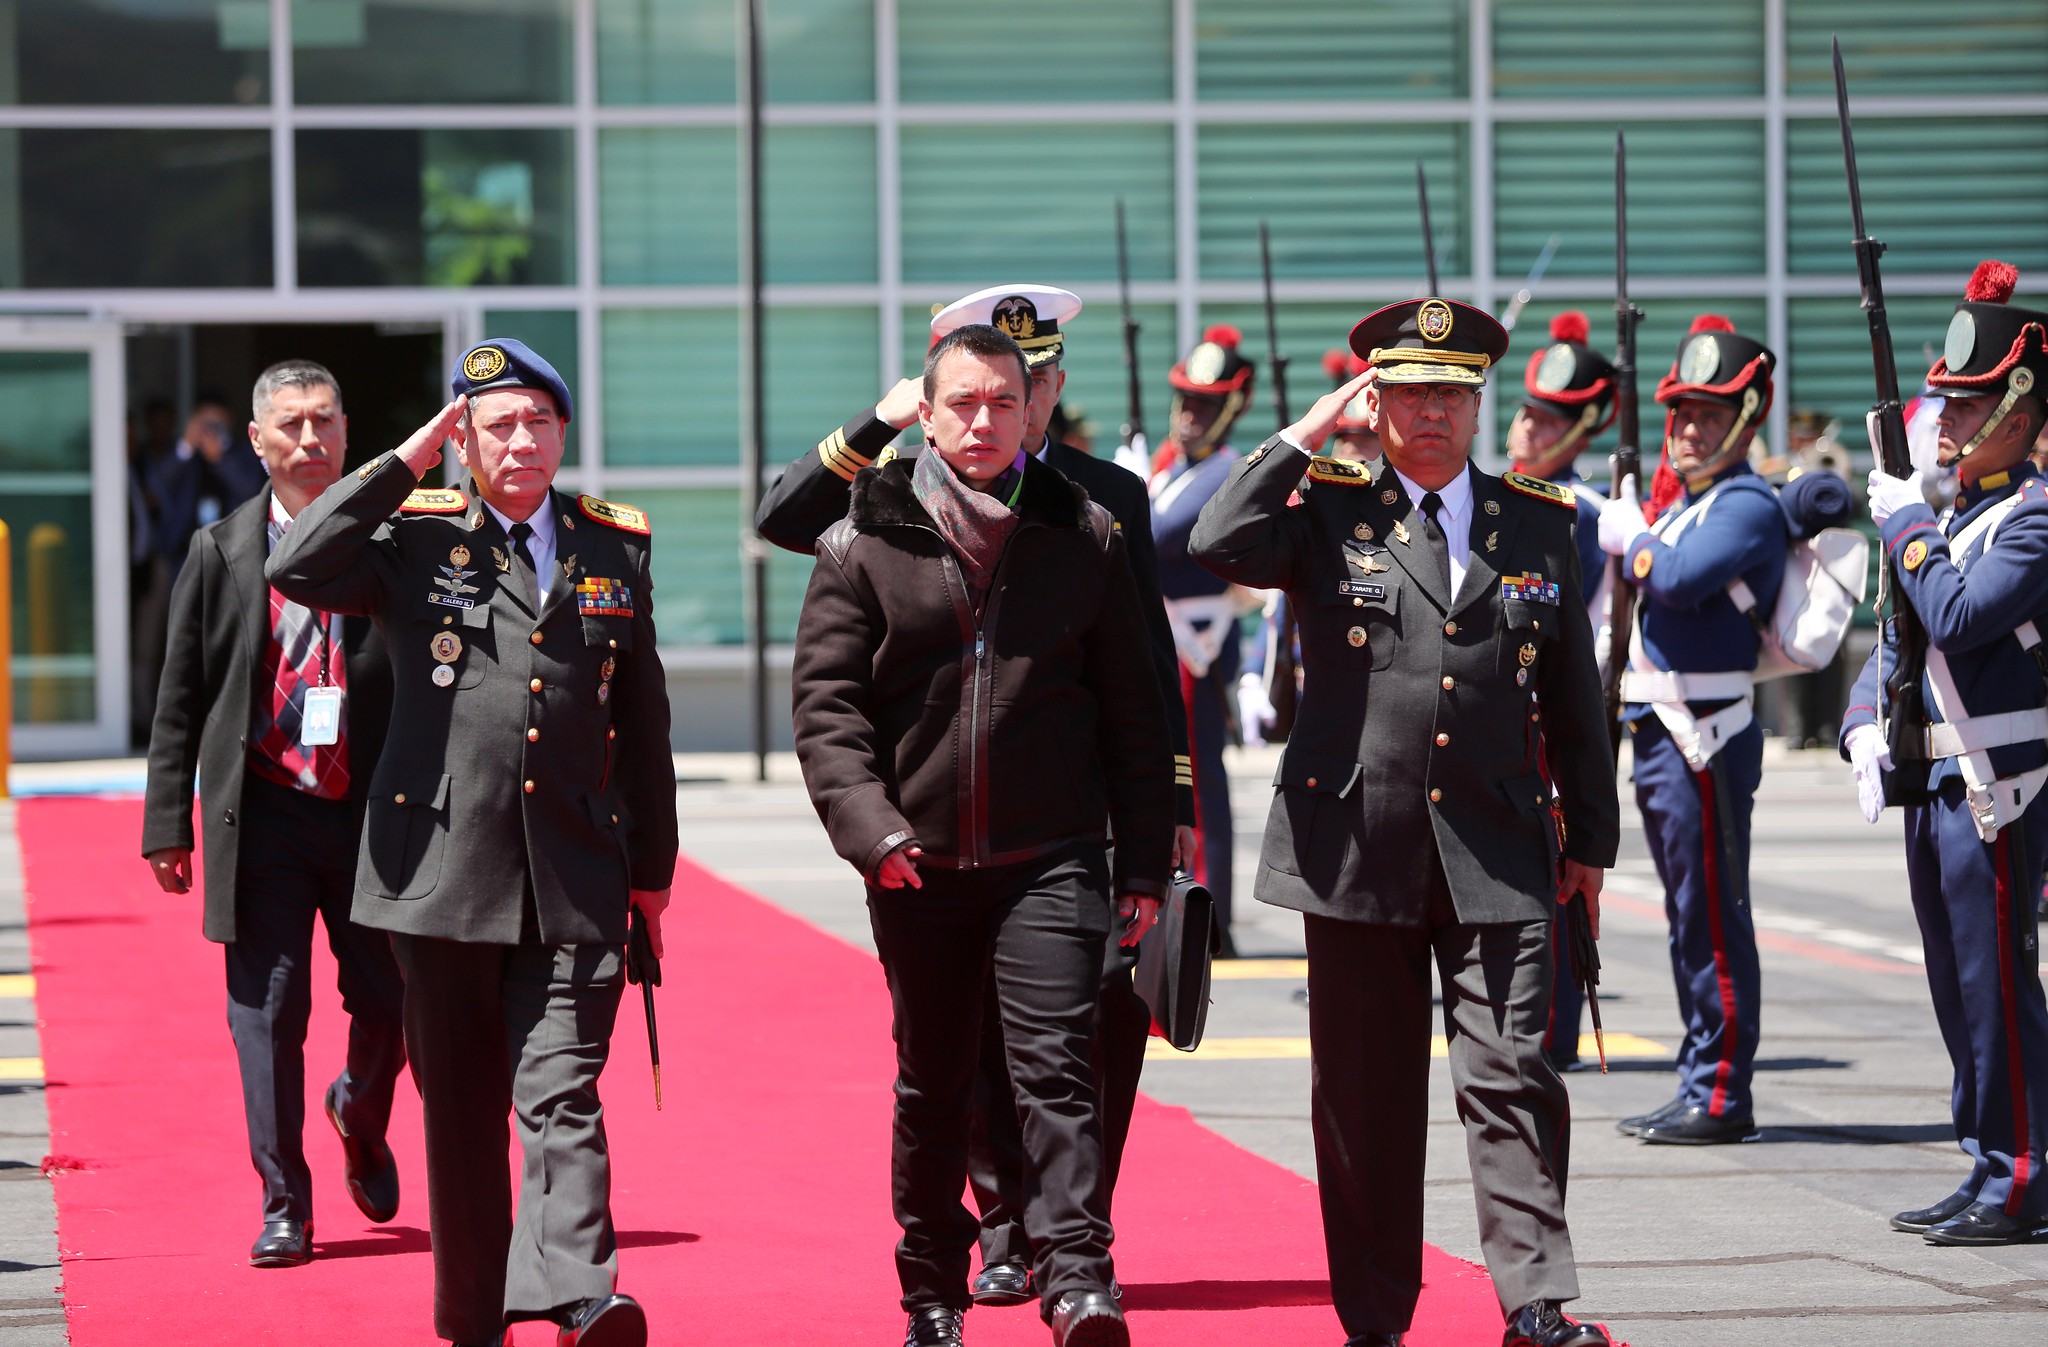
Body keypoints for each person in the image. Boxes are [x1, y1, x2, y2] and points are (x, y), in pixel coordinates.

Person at [754, 284, 1195, 1309]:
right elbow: (787, 527)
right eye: (966, 397)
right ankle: (984, 1240)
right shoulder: (878, 508)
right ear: (935, 396)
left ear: (1044, 391)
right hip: (929, 843)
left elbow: (1140, 681)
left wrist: (1157, 829)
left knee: (1063, 1048)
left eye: (1020, 391)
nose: (997, 415)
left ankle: (1073, 1261)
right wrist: (880, 418)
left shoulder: (1094, 509)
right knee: (945, 1068)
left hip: (1057, 833)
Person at [1190, 297, 1620, 1347]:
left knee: (1513, 1075)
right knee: (1365, 1103)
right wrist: (1298, 435)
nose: (1428, 410)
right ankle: (1373, 1319)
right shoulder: (1329, 509)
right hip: (1353, 850)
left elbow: (1573, 697)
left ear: (1476, 406)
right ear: (1370, 402)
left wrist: (1590, 845)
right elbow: (1212, 537)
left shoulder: (1539, 518)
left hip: (1502, 844)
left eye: (1448, 392)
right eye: (1405, 391)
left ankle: (1532, 1304)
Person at [266, 338, 678, 1347]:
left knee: (562, 1092)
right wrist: (406, 459)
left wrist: (653, 872)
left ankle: (582, 1295)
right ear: (463, 441)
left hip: (576, 871)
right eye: (497, 425)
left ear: (563, 433)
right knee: (461, 1121)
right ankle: (473, 1321)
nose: (521, 441)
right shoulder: (414, 537)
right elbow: (297, 558)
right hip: (439, 875)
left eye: (539, 422)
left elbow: (647, 718)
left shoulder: (611, 544)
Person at [140, 360, 405, 1270]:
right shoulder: (220, 550)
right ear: (257, 441)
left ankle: (358, 1112)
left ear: (346, 431)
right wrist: (167, 823)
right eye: (288, 424)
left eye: (324, 420)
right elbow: (180, 695)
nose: (308, 438)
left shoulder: (397, 539)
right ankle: (285, 1201)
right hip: (265, 815)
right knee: (267, 1012)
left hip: (374, 815)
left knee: (390, 999)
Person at [1844, 260, 2048, 1247]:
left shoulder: (2034, 517)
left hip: (1997, 785)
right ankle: (1981, 1158)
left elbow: (1958, 617)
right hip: (1934, 778)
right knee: (1955, 987)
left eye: (1962, 401)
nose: (1939, 414)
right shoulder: (1961, 516)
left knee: (1997, 987)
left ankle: (2021, 1175)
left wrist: (1906, 525)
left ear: (2014, 412)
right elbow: (1896, 635)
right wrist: (1856, 725)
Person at [1595, 315, 1785, 1146]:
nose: (1690, 428)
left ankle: (1720, 1090)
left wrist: (1634, 534)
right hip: (1666, 726)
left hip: (1704, 730)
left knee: (1711, 913)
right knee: (1686, 913)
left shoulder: (1743, 503)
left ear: (1749, 417)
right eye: (1684, 413)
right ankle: (1698, 1073)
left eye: (1710, 414)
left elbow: (1672, 578)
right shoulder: (1692, 504)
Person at [1504, 310, 1619, 1072]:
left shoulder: (1577, 513)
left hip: (1551, 717)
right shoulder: (1511, 498)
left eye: (1550, 422)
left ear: (1584, 429)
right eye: (1526, 414)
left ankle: (1549, 1036)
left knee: (1554, 880)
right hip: (1511, 719)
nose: (1529, 430)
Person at [1152, 325, 1258, 952]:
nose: (1192, 414)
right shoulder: (1175, 467)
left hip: (1195, 644)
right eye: (1187, 401)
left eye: (1207, 405)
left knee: (1196, 782)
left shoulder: (1227, 473)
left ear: (1230, 411)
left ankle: (1208, 913)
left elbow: (1164, 539)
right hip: (1167, 639)